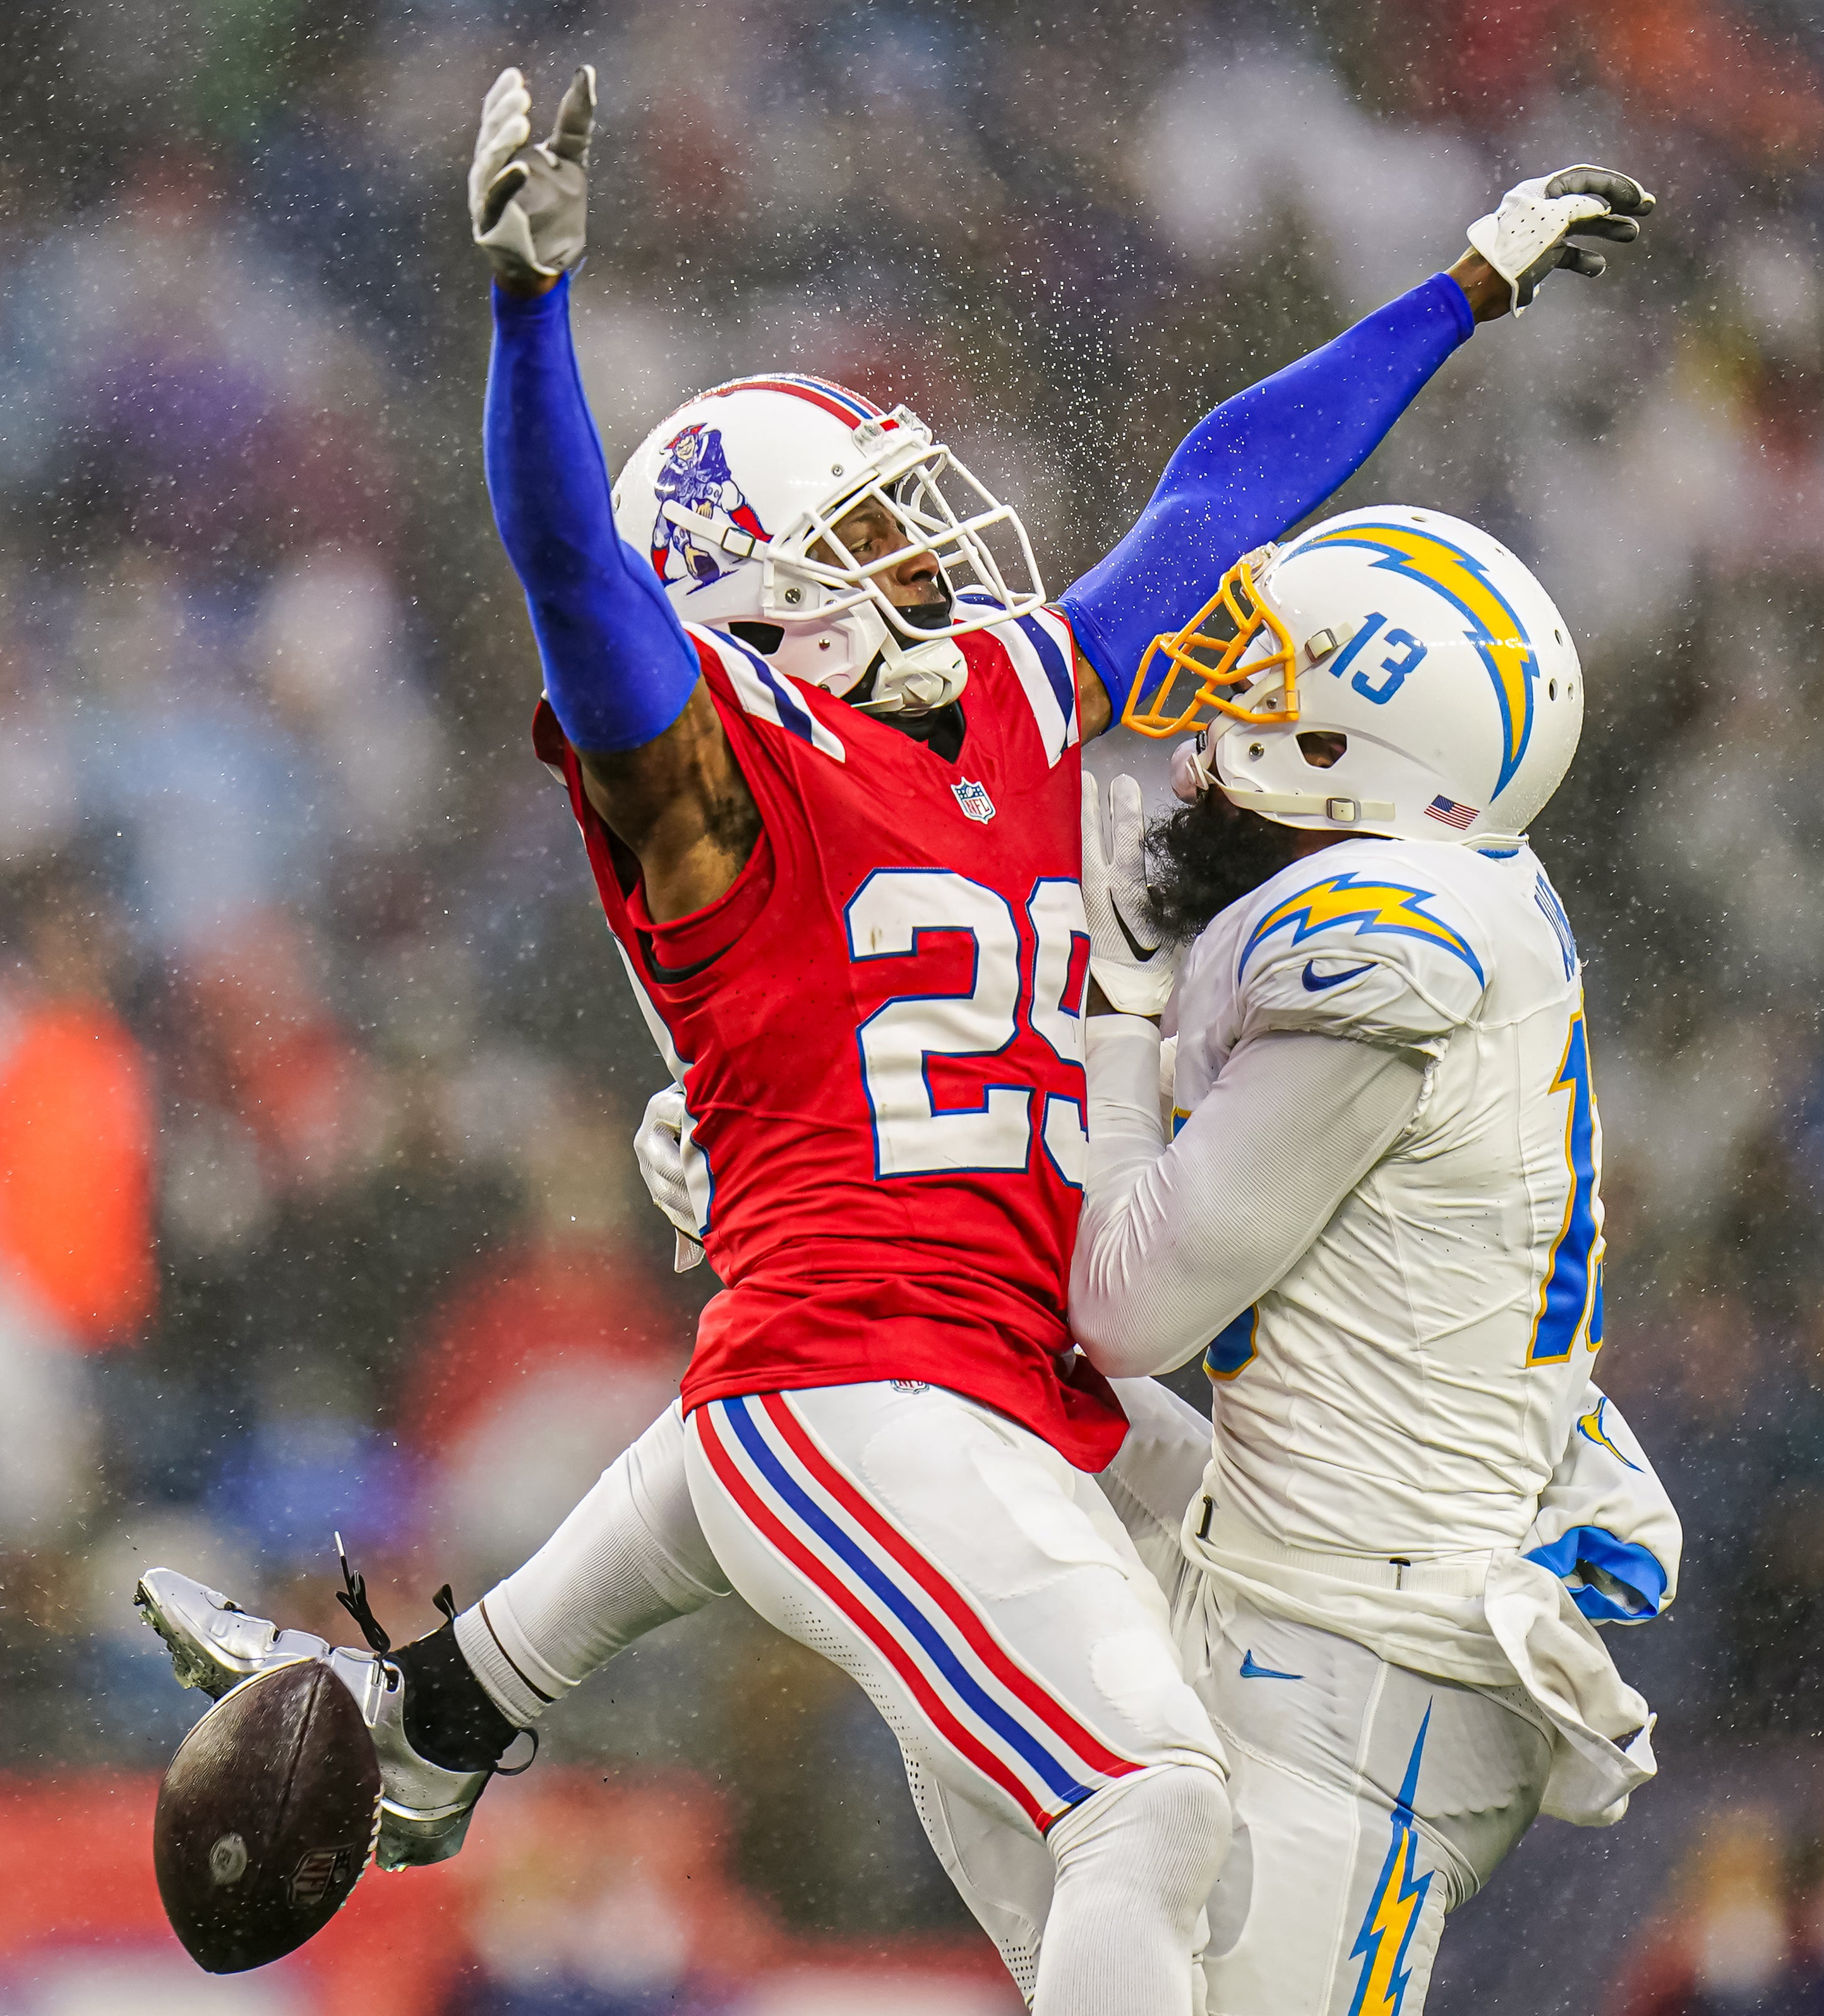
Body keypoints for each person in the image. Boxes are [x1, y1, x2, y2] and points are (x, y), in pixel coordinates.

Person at [138, 63, 1653, 2009]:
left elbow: (1217, 494)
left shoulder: (1006, 694)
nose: (934, 559)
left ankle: (444, 1707)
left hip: (1005, 1382)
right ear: (751, 608)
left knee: (1273, 1670)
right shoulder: (716, 783)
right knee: (1148, 1805)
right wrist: (530, 315)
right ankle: (447, 1705)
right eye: (868, 538)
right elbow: (571, 576)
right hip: (863, 1380)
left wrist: (1455, 293)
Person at [1065, 503, 1683, 2012]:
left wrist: (1117, 1026)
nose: (1211, 738)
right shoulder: (1451, 890)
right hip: (1319, 1592)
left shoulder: (1383, 938)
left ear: (1352, 751)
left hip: (1359, 1659)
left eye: (1259, 697)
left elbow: (1127, 1305)